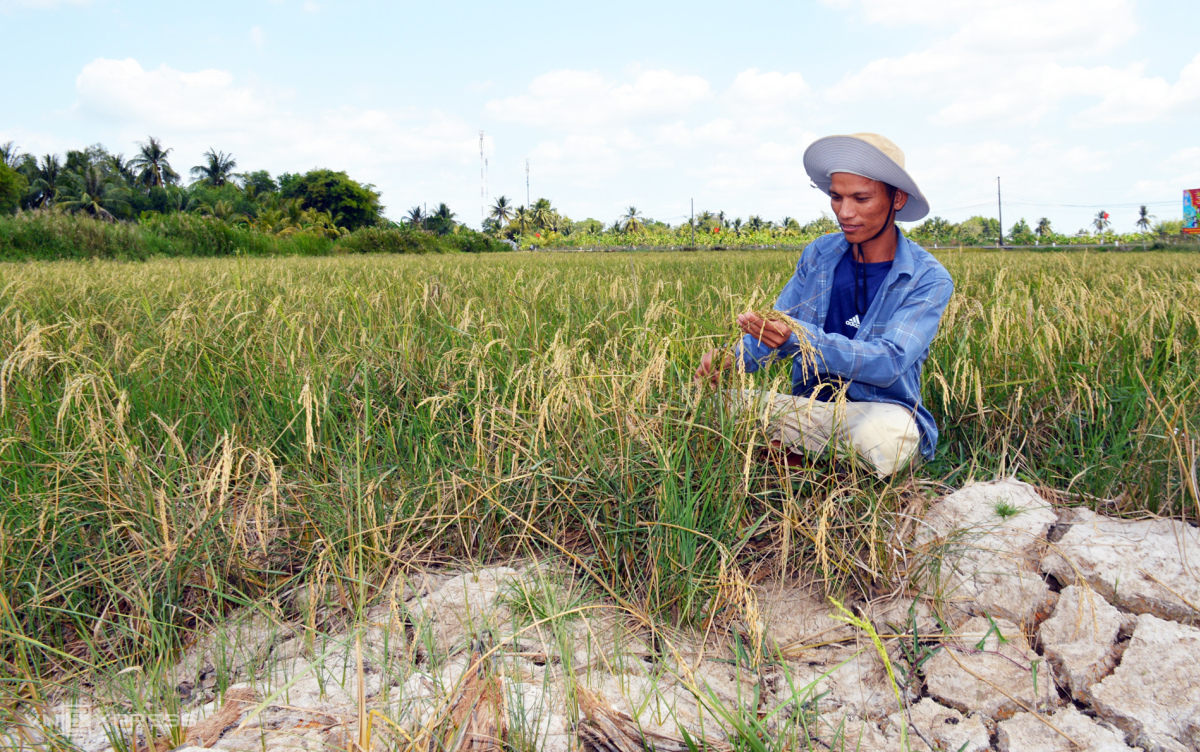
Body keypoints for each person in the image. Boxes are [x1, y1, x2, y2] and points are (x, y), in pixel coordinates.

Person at [694, 133, 954, 477]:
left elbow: (890, 361)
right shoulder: (819, 254)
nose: (845, 213)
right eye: (836, 197)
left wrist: (801, 340)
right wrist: (733, 360)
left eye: (861, 198)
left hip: (874, 414)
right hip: (808, 410)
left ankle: (791, 457)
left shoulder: (926, 278)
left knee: (889, 435)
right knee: (709, 405)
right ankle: (823, 464)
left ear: (897, 199)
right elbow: (780, 327)